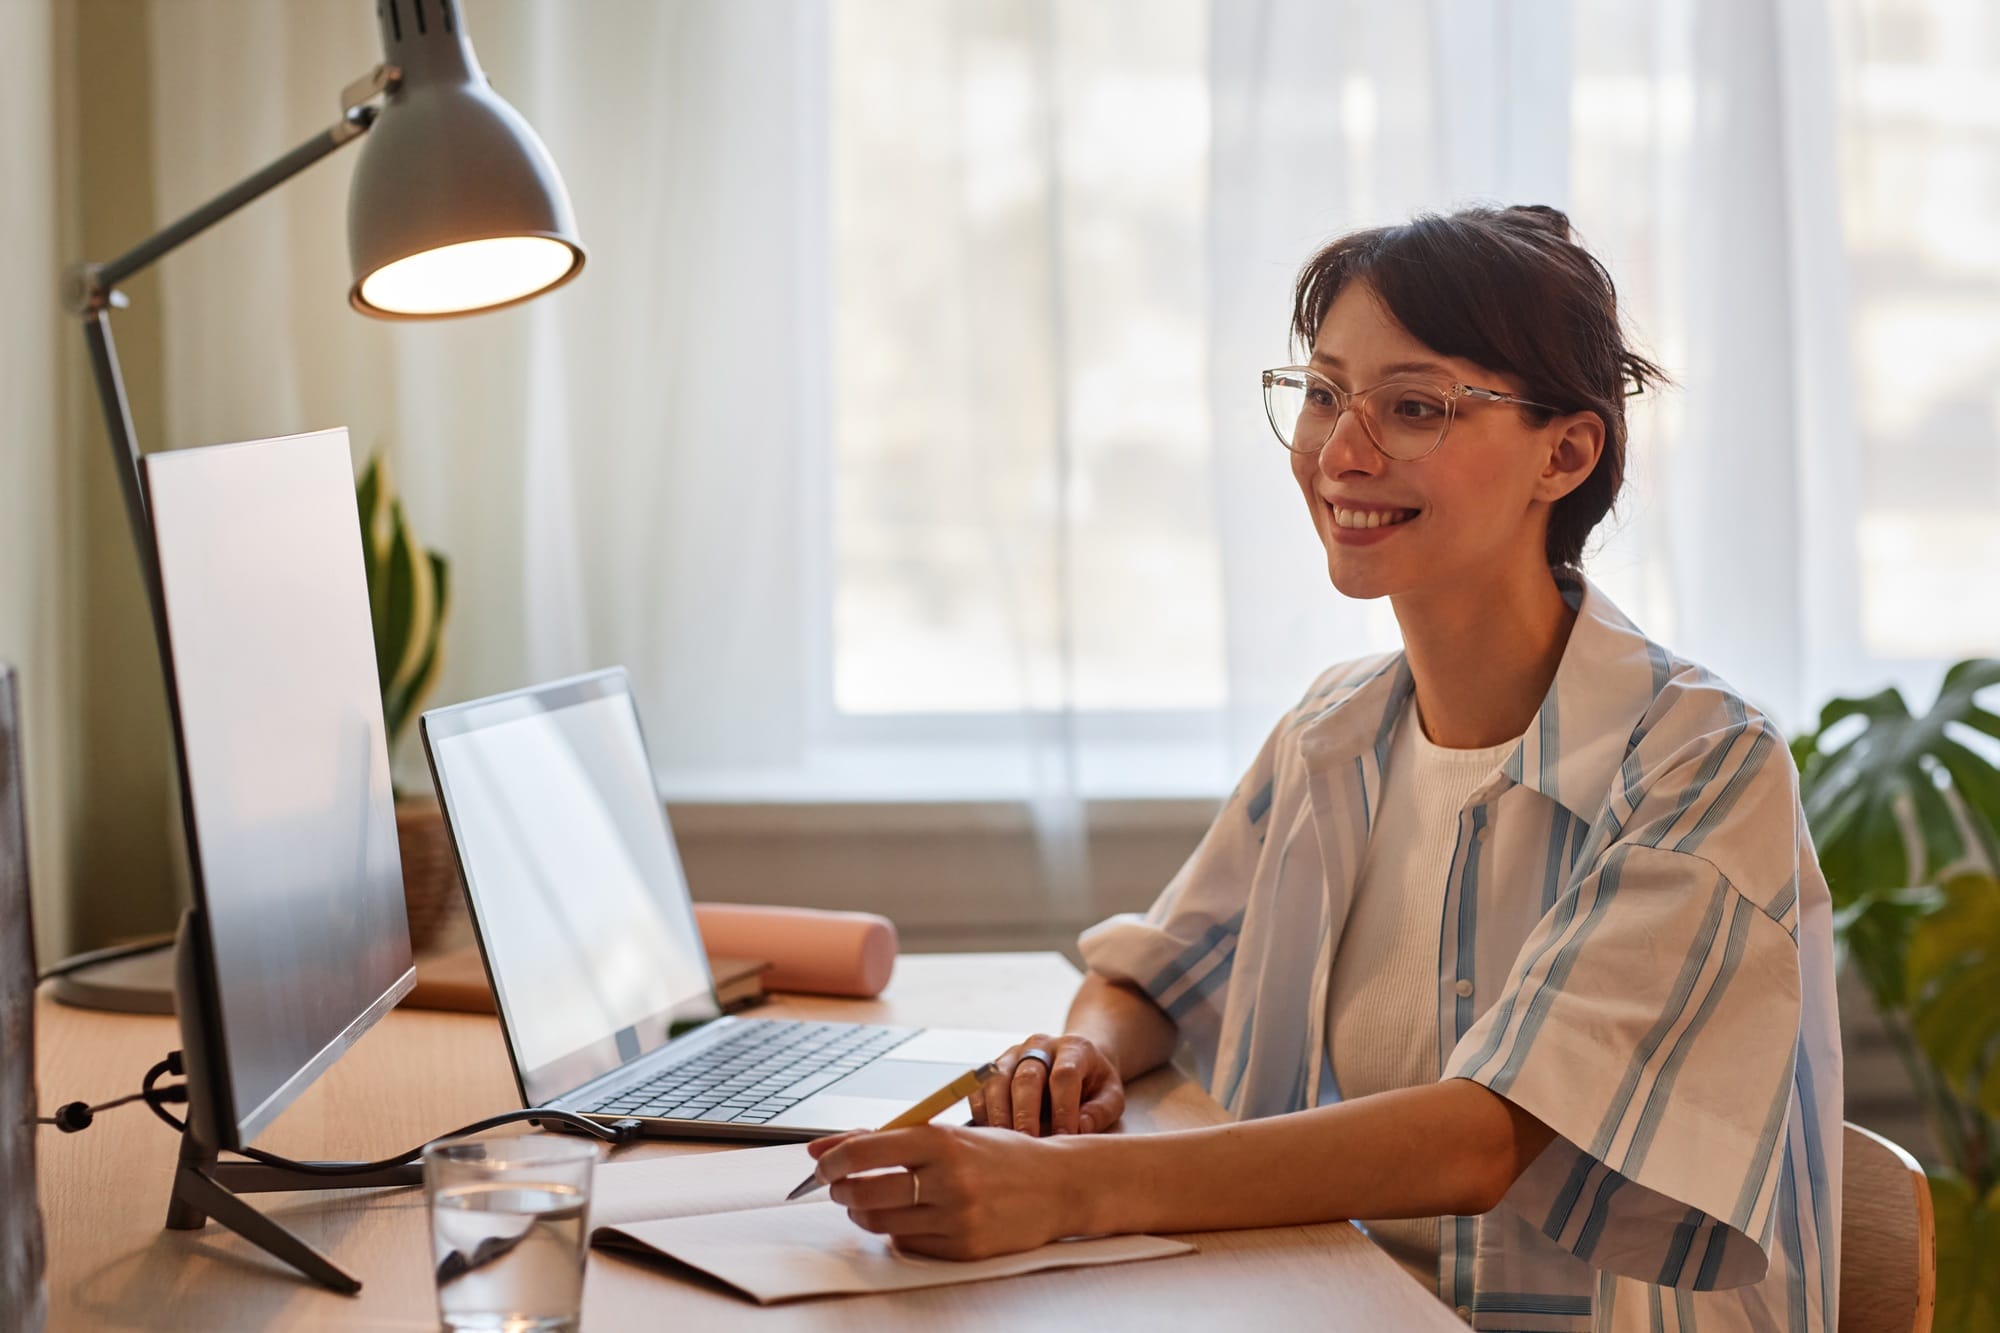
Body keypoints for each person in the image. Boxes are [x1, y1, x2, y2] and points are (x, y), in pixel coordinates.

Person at [808, 205, 1842, 1331]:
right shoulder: (1334, 727)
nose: (1340, 453)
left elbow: (1485, 1134)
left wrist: (1064, 1191)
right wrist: (1076, 1054)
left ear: (1566, 451)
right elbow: (1159, 973)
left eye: (1412, 407)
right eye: (1319, 393)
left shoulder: (1700, 761)